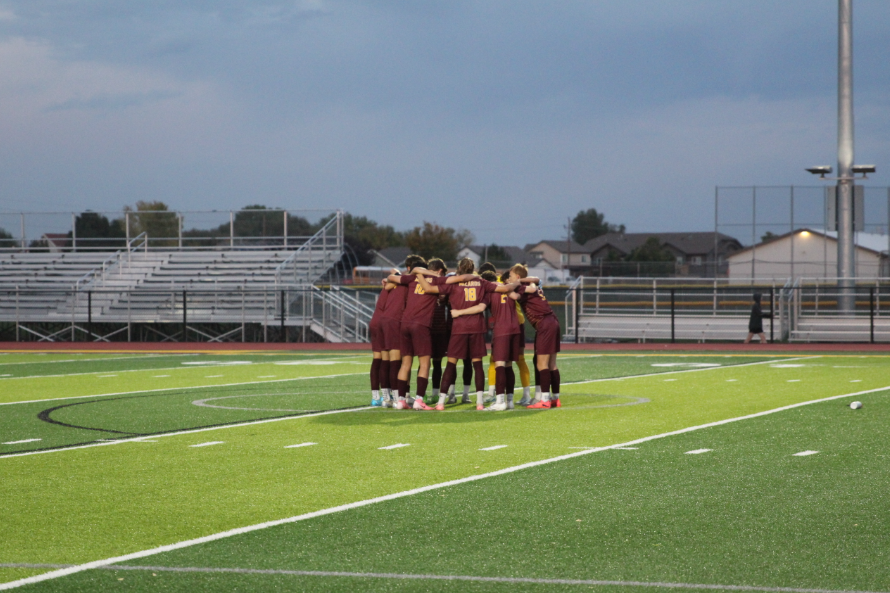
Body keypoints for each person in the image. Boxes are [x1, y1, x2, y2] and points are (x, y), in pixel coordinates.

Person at [415, 258, 520, 410]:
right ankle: (479, 403)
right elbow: (504, 289)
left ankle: (441, 402)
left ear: (459, 268)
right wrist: (518, 282)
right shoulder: (481, 282)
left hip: (459, 327)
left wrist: (418, 274)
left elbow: (429, 289)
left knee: (451, 364)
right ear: (473, 269)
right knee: (477, 365)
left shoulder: (453, 282)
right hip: (476, 327)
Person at [386, 255, 446, 410]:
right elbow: (445, 292)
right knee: (425, 364)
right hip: (421, 324)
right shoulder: (436, 279)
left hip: (405, 324)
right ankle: (419, 400)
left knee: (405, 363)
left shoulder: (412, 278)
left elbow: (392, 277)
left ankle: (400, 401)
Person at [509, 264, 561, 409]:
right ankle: (555, 398)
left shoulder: (521, 285)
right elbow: (535, 281)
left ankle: (544, 400)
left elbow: (513, 295)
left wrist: (502, 288)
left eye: (511, 275)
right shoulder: (531, 282)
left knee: (541, 364)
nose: (509, 278)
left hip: (544, 323)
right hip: (553, 321)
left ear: (518, 277)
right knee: (551, 364)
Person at [479, 270, 522, 411]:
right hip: (515, 329)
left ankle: (500, 401)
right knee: (509, 365)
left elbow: (481, 307)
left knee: (500, 365)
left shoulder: (489, 291)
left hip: (501, 330)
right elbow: (517, 296)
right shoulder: (508, 287)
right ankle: (510, 401)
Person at [368, 278, 394, 407]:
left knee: (378, 360)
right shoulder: (399, 287)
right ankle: (388, 396)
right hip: (385, 323)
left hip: (375, 321)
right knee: (390, 360)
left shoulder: (388, 286)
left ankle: (376, 397)